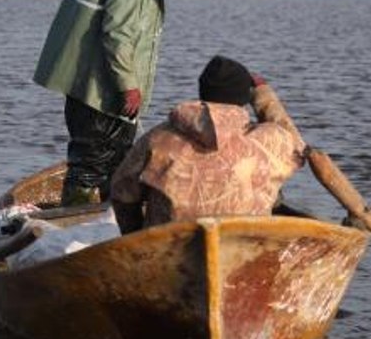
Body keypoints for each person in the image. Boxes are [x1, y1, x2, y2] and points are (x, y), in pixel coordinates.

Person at [33, 0, 167, 206]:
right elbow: (117, 35)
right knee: (93, 168)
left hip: (82, 88)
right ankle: (79, 223)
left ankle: (100, 220)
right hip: (104, 95)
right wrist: (129, 86)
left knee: (102, 166)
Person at [109, 55, 305, 234]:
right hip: (243, 246)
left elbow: (121, 190)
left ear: (203, 92)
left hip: (169, 245)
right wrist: (263, 94)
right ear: (245, 97)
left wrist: (133, 233)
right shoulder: (270, 139)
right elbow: (300, 150)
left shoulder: (159, 137)